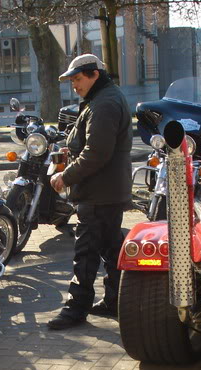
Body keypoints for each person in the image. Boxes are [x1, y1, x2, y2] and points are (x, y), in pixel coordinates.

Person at [46, 54, 133, 330]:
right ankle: (115, 300)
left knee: (85, 253)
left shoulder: (104, 103)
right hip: (106, 191)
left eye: (78, 79)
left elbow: (97, 152)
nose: (74, 85)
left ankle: (76, 308)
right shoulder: (102, 99)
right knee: (110, 247)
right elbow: (92, 145)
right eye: (71, 81)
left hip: (98, 194)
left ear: (95, 74)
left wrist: (65, 176)